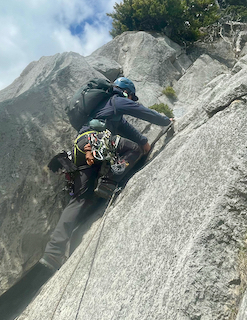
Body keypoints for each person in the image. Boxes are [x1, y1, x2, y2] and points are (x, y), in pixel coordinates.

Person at [39, 77, 172, 274]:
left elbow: (131, 131)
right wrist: (166, 121)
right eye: (132, 96)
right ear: (125, 91)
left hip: (80, 147)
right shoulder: (117, 100)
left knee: (78, 199)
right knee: (132, 150)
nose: (132, 99)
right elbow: (143, 113)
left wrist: (144, 141)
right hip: (96, 141)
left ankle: (53, 251)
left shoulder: (104, 110)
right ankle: (108, 183)